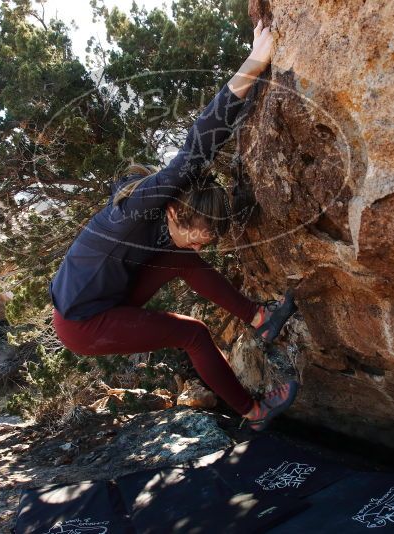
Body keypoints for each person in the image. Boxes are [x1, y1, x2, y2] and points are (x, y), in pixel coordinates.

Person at [49, 20, 299, 431]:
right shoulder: (137, 213)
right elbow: (197, 144)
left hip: (108, 294)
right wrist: (253, 64)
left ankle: (260, 319)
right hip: (82, 323)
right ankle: (255, 413)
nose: (203, 245)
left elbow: (201, 165)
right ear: (172, 214)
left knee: (181, 259)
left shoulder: (167, 211)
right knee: (194, 333)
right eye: (197, 235)